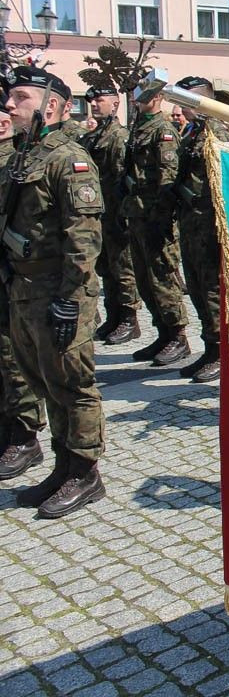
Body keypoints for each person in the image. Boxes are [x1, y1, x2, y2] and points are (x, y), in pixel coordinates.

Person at [0, 66, 106, 518]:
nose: (9, 104)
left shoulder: (70, 158)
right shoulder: (22, 156)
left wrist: (71, 296)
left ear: (54, 105)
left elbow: (84, 237)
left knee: (72, 384)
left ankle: (85, 472)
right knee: (42, 380)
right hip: (23, 287)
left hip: (60, 291)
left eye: (20, 97)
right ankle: (62, 466)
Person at [170, 77, 229, 383]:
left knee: (211, 290)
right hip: (192, 223)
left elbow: (225, 180)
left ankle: (221, 352)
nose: (180, 108)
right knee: (196, 287)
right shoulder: (193, 132)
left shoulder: (216, 130)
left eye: (185, 101)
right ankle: (210, 349)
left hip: (210, 224)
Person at [121, 81, 191, 367]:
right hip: (137, 214)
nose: (139, 99)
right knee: (144, 278)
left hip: (156, 215)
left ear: (158, 97)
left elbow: (168, 175)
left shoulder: (162, 131)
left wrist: (162, 217)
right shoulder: (139, 127)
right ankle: (163, 332)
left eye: (146, 94)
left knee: (162, 277)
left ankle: (178, 335)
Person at [0, 89, 49, 483]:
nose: (11, 108)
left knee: (11, 355)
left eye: (18, 99)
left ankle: (24, 433)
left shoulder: (15, 161)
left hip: (21, 275)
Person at [80, 84, 141, 345]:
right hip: (100, 213)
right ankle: (113, 315)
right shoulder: (94, 136)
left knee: (122, 267)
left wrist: (124, 214)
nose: (94, 104)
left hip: (116, 211)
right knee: (106, 267)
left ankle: (129, 319)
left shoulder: (118, 136)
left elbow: (122, 177)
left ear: (115, 103)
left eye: (100, 100)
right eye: (91, 101)